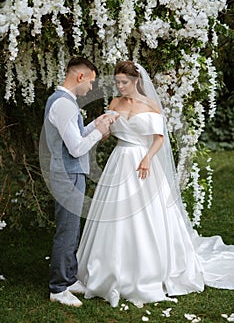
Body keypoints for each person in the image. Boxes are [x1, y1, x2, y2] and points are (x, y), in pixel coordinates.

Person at [76, 60, 234, 308]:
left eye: (124, 82)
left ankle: (149, 271)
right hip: (119, 161)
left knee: (146, 216)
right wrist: (100, 128)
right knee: (114, 214)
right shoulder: (114, 103)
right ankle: (106, 269)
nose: (120, 86)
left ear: (136, 81)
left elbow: (159, 138)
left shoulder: (150, 105)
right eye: (117, 82)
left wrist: (147, 158)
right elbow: (108, 135)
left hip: (143, 163)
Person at [42, 57, 118, 307]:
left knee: (72, 228)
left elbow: (74, 137)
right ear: (80, 77)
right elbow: (75, 149)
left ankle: (69, 278)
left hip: (71, 173)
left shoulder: (66, 103)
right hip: (67, 175)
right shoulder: (63, 104)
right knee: (67, 230)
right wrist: (99, 132)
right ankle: (58, 287)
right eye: (91, 82)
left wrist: (95, 124)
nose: (91, 89)